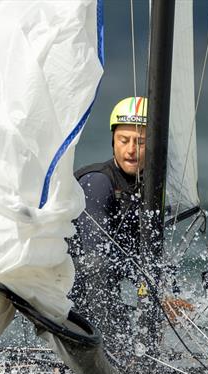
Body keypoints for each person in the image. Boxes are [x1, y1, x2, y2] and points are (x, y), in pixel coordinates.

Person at [67, 96, 147, 359]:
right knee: (98, 265)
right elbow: (95, 252)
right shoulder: (97, 182)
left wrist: (169, 294)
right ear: (113, 140)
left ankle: (139, 361)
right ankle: (113, 359)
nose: (131, 150)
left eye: (141, 142)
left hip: (105, 295)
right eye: (124, 140)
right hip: (70, 296)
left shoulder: (149, 188)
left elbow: (149, 255)